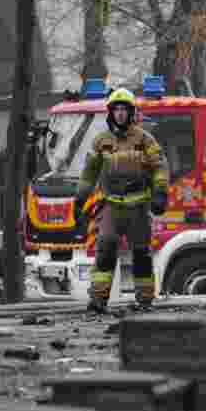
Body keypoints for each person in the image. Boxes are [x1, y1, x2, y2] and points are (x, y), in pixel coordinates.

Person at [75, 88, 169, 314]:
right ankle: (98, 300)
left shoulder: (145, 140)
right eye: (115, 109)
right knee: (105, 250)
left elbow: (160, 167)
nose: (119, 114)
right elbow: (89, 173)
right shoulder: (101, 142)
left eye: (123, 110)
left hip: (138, 208)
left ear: (131, 112)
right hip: (112, 207)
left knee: (141, 254)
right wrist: (80, 199)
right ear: (110, 113)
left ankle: (145, 300)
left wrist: (160, 192)